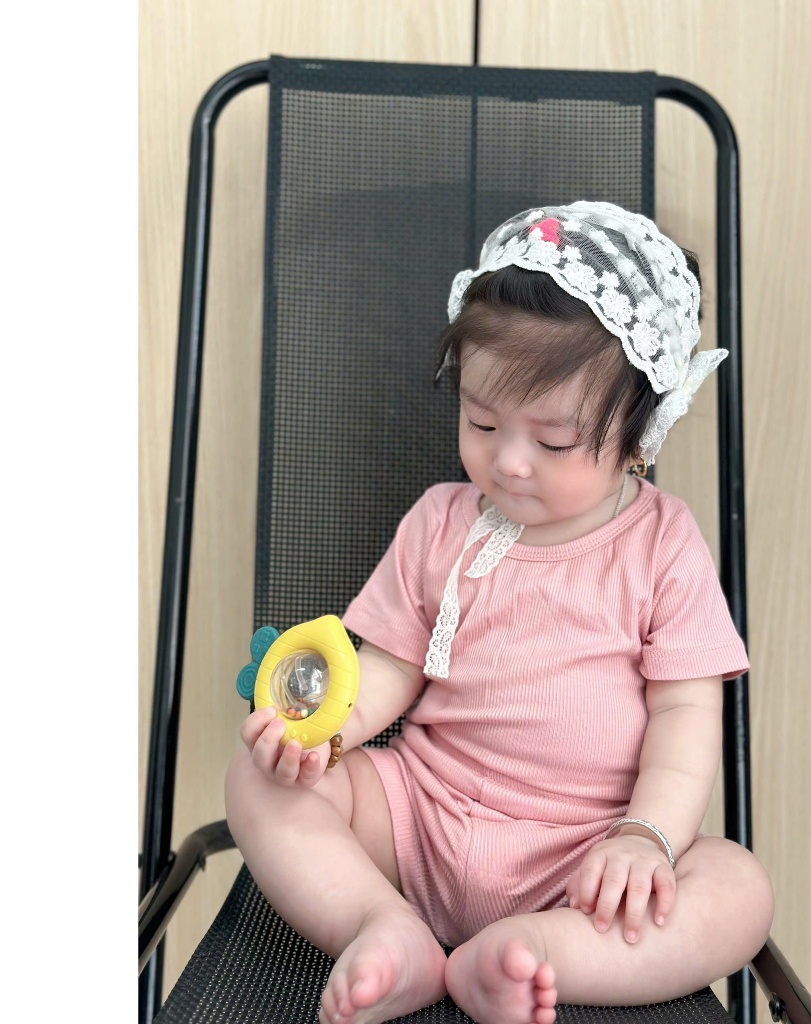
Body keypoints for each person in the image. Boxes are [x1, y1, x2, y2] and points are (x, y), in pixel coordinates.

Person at [225, 200, 775, 1024]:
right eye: (482, 420)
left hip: (583, 857)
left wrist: (646, 836)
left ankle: (542, 953)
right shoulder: (441, 522)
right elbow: (391, 665)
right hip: (420, 821)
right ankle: (382, 926)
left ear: (639, 437)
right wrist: (326, 736)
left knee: (738, 889)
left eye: (553, 442)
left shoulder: (663, 544)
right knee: (254, 782)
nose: (510, 462)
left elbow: (686, 714)